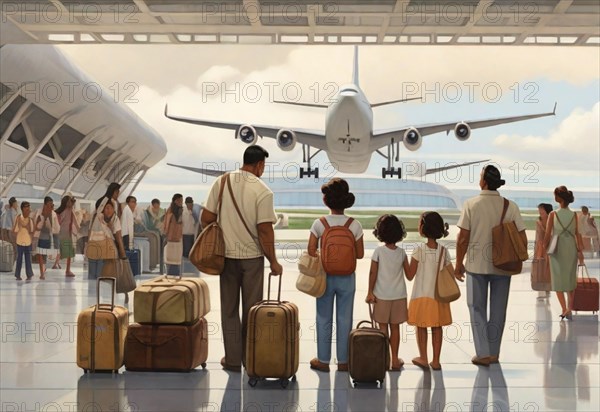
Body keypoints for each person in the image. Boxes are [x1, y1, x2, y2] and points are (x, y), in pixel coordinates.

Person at [201, 145, 282, 372]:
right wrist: (274, 261)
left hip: (225, 257)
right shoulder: (263, 191)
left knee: (228, 309)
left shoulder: (222, 182)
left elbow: (206, 217)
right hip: (252, 259)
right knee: (252, 310)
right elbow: (265, 230)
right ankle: (250, 357)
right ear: (259, 165)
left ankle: (233, 359)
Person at [455, 165, 527, 366]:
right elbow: (521, 236)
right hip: (504, 265)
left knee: (476, 307)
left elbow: (462, 238)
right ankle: (494, 353)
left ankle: (483, 352)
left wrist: (458, 262)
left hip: (476, 265)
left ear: (484, 181)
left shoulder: (471, 204)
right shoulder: (510, 206)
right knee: (498, 310)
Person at [307, 178, 364, 373]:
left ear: (326, 201)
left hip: (325, 276)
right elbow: (361, 254)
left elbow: (311, 250)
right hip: (348, 277)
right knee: (345, 317)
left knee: (323, 316)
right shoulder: (354, 224)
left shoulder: (319, 223)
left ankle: (323, 360)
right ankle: (344, 361)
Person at [406, 212, 455, 371]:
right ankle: (436, 360)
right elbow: (451, 273)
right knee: (437, 327)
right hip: (438, 297)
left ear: (423, 228)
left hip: (421, 296)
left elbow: (410, 274)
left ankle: (423, 357)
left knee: (421, 326)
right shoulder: (443, 251)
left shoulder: (419, 250)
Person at [365, 214, 409, 371]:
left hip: (381, 296)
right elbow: (409, 275)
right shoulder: (402, 253)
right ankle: (395, 360)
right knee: (395, 328)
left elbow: (372, 273)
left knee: (382, 328)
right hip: (399, 296)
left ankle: (385, 359)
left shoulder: (378, 252)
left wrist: (370, 292)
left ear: (380, 232)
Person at [544, 186, 585, 320]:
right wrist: (580, 251)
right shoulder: (574, 214)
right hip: (571, 248)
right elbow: (577, 234)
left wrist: (544, 249)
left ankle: (564, 308)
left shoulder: (553, 214)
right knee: (570, 279)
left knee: (558, 280)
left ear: (558, 198)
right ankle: (569, 308)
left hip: (557, 249)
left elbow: (547, 235)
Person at [88, 198, 127, 280]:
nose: (108, 210)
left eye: (110, 208)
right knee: (94, 276)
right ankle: (93, 292)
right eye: (106, 208)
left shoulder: (114, 219)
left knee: (99, 275)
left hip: (105, 252)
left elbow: (118, 237)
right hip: (95, 249)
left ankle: (96, 291)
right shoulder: (97, 218)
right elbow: (90, 232)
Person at [33, 197, 60, 280]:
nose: (50, 206)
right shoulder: (39, 212)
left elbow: (56, 228)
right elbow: (35, 225)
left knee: (46, 256)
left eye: (51, 205)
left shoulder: (53, 214)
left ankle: (44, 269)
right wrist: (42, 219)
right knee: (40, 255)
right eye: (48, 205)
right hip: (40, 237)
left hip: (49, 238)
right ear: (44, 205)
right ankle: (42, 273)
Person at [54, 195, 80, 277]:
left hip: (67, 233)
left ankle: (67, 270)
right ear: (65, 202)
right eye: (69, 201)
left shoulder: (69, 210)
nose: (71, 203)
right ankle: (67, 270)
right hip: (64, 233)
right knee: (68, 252)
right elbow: (60, 222)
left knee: (68, 252)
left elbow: (75, 222)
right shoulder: (67, 211)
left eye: (71, 201)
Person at [533, 203, 553, 300]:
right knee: (540, 271)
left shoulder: (553, 222)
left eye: (542, 210)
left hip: (550, 249)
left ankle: (548, 289)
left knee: (548, 271)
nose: (540, 212)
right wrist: (539, 252)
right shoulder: (539, 222)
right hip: (540, 249)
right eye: (539, 210)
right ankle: (541, 291)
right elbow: (538, 239)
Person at [13, 201, 35, 281]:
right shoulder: (18, 218)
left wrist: (27, 227)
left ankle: (29, 275)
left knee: (28, 259)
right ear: (22, 209)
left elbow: (32, 231)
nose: (28, 209)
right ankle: (17, 275)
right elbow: (14, 230)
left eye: (28, 207)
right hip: (19, 241)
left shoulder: (30, 220)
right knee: (19, 259)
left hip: (28, 242)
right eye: (26, 207)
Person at [163, 194, 184, 275]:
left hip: (173, 236)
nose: (182, 202)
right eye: (180, 200)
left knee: (174, 255)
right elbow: (167, 223)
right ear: (176, 201)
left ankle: (173, 271)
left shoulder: (172, 210)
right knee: (174, 255)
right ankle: (173, 272)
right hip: (174, 236)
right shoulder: (173, 210)